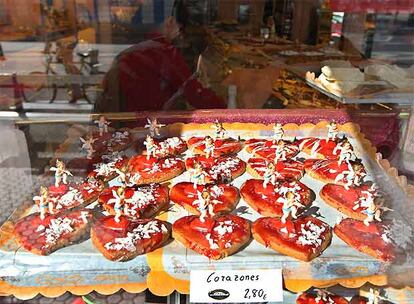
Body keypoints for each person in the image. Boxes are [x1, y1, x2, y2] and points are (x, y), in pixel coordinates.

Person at [97, 17, 225, 112]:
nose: (179, 32)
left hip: (126, 119)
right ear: (169, 23)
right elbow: (192, 92)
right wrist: (225, 108)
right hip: (148, 122)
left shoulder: (132, 50)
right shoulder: (164, 52)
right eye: (178, 27)